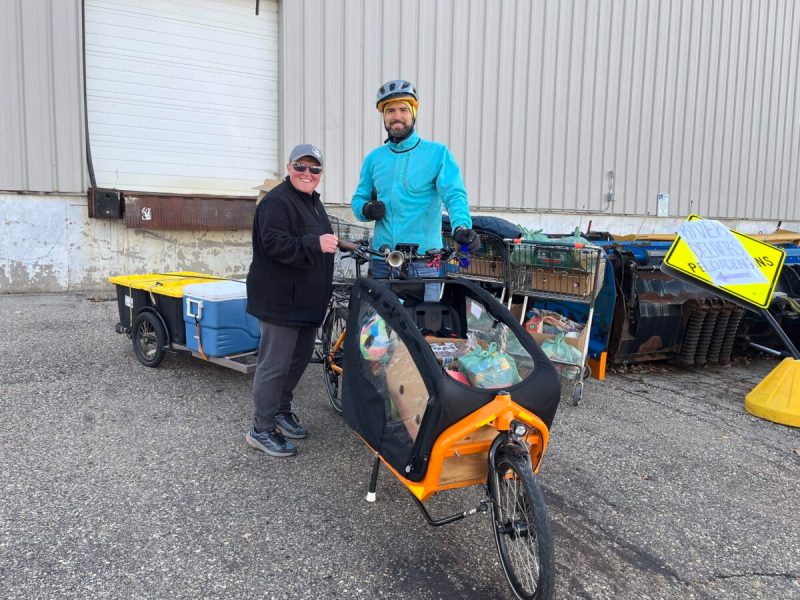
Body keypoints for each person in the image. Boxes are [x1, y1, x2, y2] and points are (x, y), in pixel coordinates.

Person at [245, 144, 338, 457]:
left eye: (314, 169)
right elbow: (273, 244)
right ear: (289, 167)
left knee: (297, 363)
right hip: (281, 302)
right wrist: (315, 242)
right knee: (274, 365)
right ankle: (261, 428)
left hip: (308, 303)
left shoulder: (312, 202)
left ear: (321, 174)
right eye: (301, 166)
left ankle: (281, 412)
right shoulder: (276, 202)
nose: (307, 174)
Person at [351, 79, 481, 299]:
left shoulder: (437, 153)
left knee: (424, 330)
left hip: (424, 263)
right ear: (383, 116)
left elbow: (454, 195)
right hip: (383, 260)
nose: (397, 116)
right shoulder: (374, 159)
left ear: (413, 112)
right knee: (379, 331)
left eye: (403, 109)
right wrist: (366, 209)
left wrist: (461, 227)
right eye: (390, 110)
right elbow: (357, 200)